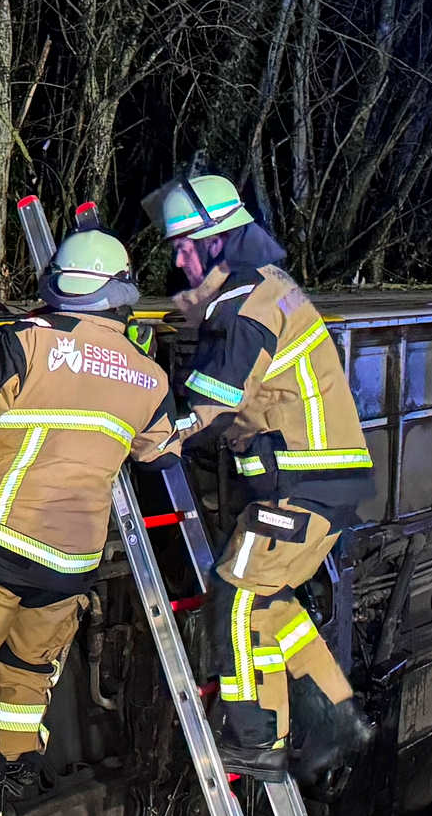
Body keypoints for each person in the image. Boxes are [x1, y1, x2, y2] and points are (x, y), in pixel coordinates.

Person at [0, 228, 177, 816]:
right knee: (28, 672)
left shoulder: (28, 343)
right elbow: (159, 450)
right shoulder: (149, 377)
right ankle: (14, 778)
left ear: (56, 284)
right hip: (73, 562)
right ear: (121, 297)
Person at [140, 171, 377, 780]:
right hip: (312, 481)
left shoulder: (248, 308)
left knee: (239, 595)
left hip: (303, 483)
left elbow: (213, 400)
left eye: (184, 245)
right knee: (271, 602)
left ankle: (256, 739)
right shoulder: (264, 290)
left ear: (219, 241)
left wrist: (152, 434)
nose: (178, 258)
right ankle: (336, 719)